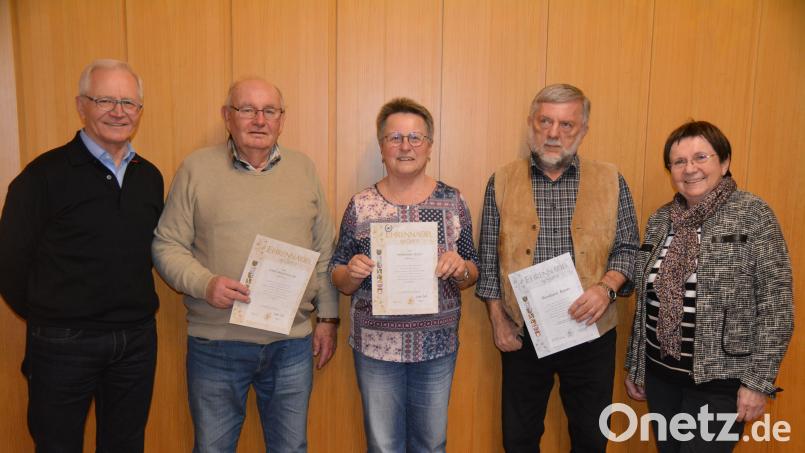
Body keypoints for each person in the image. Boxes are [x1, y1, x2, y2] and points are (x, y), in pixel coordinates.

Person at [151, 78, 338, 453]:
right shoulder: (196, 168)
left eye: (269, 111)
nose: (259, 120)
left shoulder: (304, 169)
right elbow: (166, 244)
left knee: (291, 448)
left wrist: (328, 319)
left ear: (282, 120)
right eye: (246, 109)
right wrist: (206, 284)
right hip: (217, 344)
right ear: (227, 117)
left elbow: (324, 251)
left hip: (292, 344)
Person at [0, 59, 163, 453]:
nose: (119, 111)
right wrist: (53, 314)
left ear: (140, 111)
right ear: (81, 105)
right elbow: (9, 262)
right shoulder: (43, 176)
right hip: (63, 342)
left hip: (136, 340)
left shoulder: (150, 176)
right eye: (105, 100)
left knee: (126, 445)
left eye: (129, 102)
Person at [475, 83, 639, 452]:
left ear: (583, 130)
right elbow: (488, 259)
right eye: (545, 121)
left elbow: (630, 249)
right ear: (530, 123)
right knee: (518, 437)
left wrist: (605, 288)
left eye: (566, 125)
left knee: (591, 437)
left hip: (591, 330)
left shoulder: (611, 180)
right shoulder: (501, 180)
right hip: (522, 333)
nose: (553, 133)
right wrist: (498, 321)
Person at [625, 121, 793, 452]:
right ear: (670, 170)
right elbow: (647, 302)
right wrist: (637, 366)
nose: (690, 169)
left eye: (701, 157)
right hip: (662, 379)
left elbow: (777, 306)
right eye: (679, 162)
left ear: (725, 162)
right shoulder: (661, 220)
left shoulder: (753, 214)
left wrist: (758, 383)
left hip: (721, 384)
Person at [330, 97, 479, 453]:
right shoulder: (361, 204)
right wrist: (350, 273)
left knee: (431, 443)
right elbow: (337, 272)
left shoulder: (452, 200)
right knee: (383, 446)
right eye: (395, 138)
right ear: (382, 147)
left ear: (429, 146)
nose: (405, 146)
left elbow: (474, 268)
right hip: (376, 348)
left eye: (415, 138)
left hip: (436, 346)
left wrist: (461, 269)